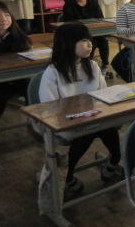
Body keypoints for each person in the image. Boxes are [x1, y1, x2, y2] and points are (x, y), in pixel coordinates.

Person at [39, 23, 123, 197]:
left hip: (93, 118)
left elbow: (103, 95)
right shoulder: (53, 72)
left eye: (89, 40)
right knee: (87, 132)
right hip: (65, 124)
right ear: (68, 44)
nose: (90, 44)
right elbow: (48, 107)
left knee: (108, 128)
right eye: (84, 41)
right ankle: (68, 176)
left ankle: (113, 162)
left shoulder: (92, 66)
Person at [0, 1, 31, 155]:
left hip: (20, 79)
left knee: (35, 89)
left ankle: (39, 124)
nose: (3, 19)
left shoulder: (17, 35)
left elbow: (26, 52)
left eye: (7, 15)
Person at [62, 0, 111, 76]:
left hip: (94, 32)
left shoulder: (93, 2)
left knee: (103, 40)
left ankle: (105, 64)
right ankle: (87, 65)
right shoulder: (69, 5)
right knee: (88, 42)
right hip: (78, 34)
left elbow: (100, 18)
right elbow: (69, 23)